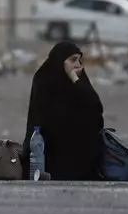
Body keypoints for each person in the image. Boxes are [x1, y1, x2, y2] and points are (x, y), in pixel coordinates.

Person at [22, 41, 105, 181]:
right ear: (60, 61)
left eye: (79, 60)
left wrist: (75, 81)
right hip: (50, 153)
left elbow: (96, 110)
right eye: (73, 60)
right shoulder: (44, 79)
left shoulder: (79, 81)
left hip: (81, 157)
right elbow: (39, 119)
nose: (78, 65)